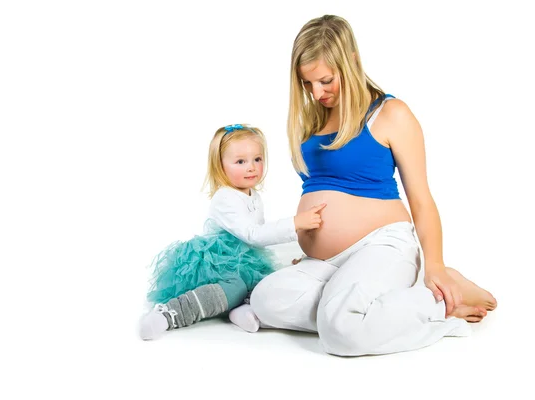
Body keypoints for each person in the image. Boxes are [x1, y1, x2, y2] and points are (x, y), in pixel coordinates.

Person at [249, 15, 497, 356]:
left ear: (350, 60)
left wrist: (435, 264)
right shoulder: (313, 120)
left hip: (382, 246)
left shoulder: (391, 114)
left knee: (340, 330)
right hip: (327, 261)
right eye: (307, 84)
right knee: (265, 299)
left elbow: (421, 199)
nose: (316, 93)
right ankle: (365, 306)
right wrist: (317, 247)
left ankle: (437, 303)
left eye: (325, 80)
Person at [138, 124, 324, 340]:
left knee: (265, 282)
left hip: (245, 260)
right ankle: (171, 314)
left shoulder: (252, 195)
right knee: (234, 285)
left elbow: (260, 238)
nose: (252, 167)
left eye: (257, 159)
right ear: (221, 166)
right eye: (240, 162)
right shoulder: (225, 198)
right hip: (219, 261)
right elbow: (253, 234)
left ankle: (238, 309)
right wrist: (295, 224)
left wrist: (298, 239)